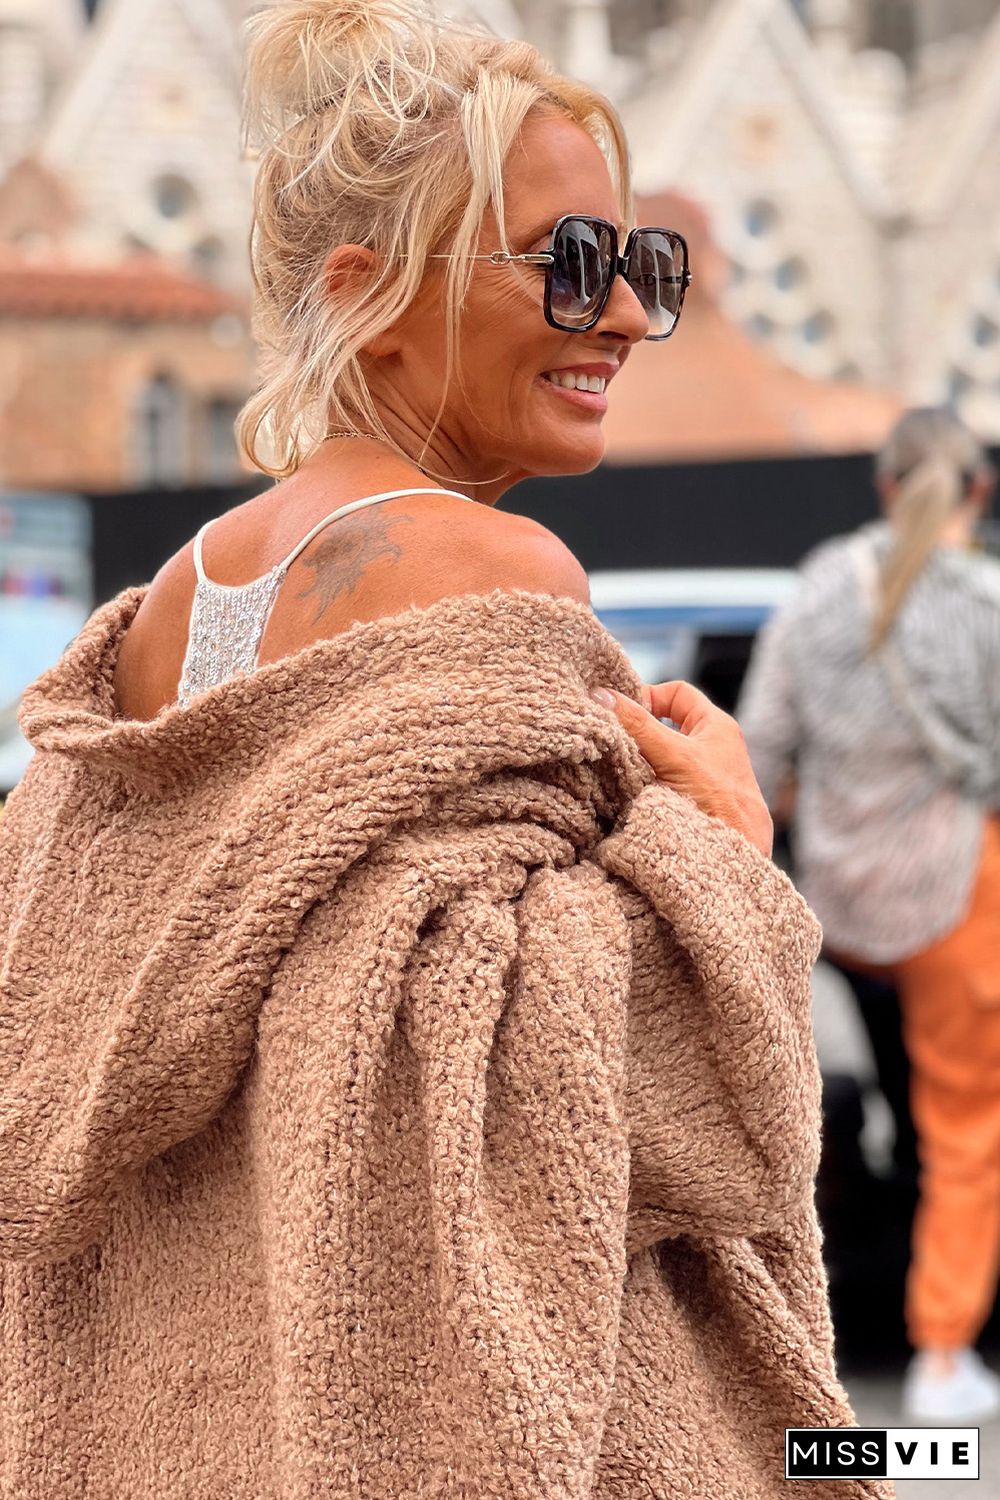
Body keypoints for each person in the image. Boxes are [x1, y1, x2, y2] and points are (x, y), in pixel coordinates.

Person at [0, 3, 891, 1497]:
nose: (620, 317)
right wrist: (720, 845)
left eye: (644, 269)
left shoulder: (166, 614)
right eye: (570, 264)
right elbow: (584, 1089)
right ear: (372, 293)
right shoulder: (497, 570)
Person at [738, 406, 1000, 1423]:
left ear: (885, 487)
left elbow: (758, 748)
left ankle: (786, 1355)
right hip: (954, 904)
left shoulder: (813, 592)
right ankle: (940, 1359)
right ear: (974, 491)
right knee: (964, 1129)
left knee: (803, 1120)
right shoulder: (985, 604)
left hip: (839, 907)